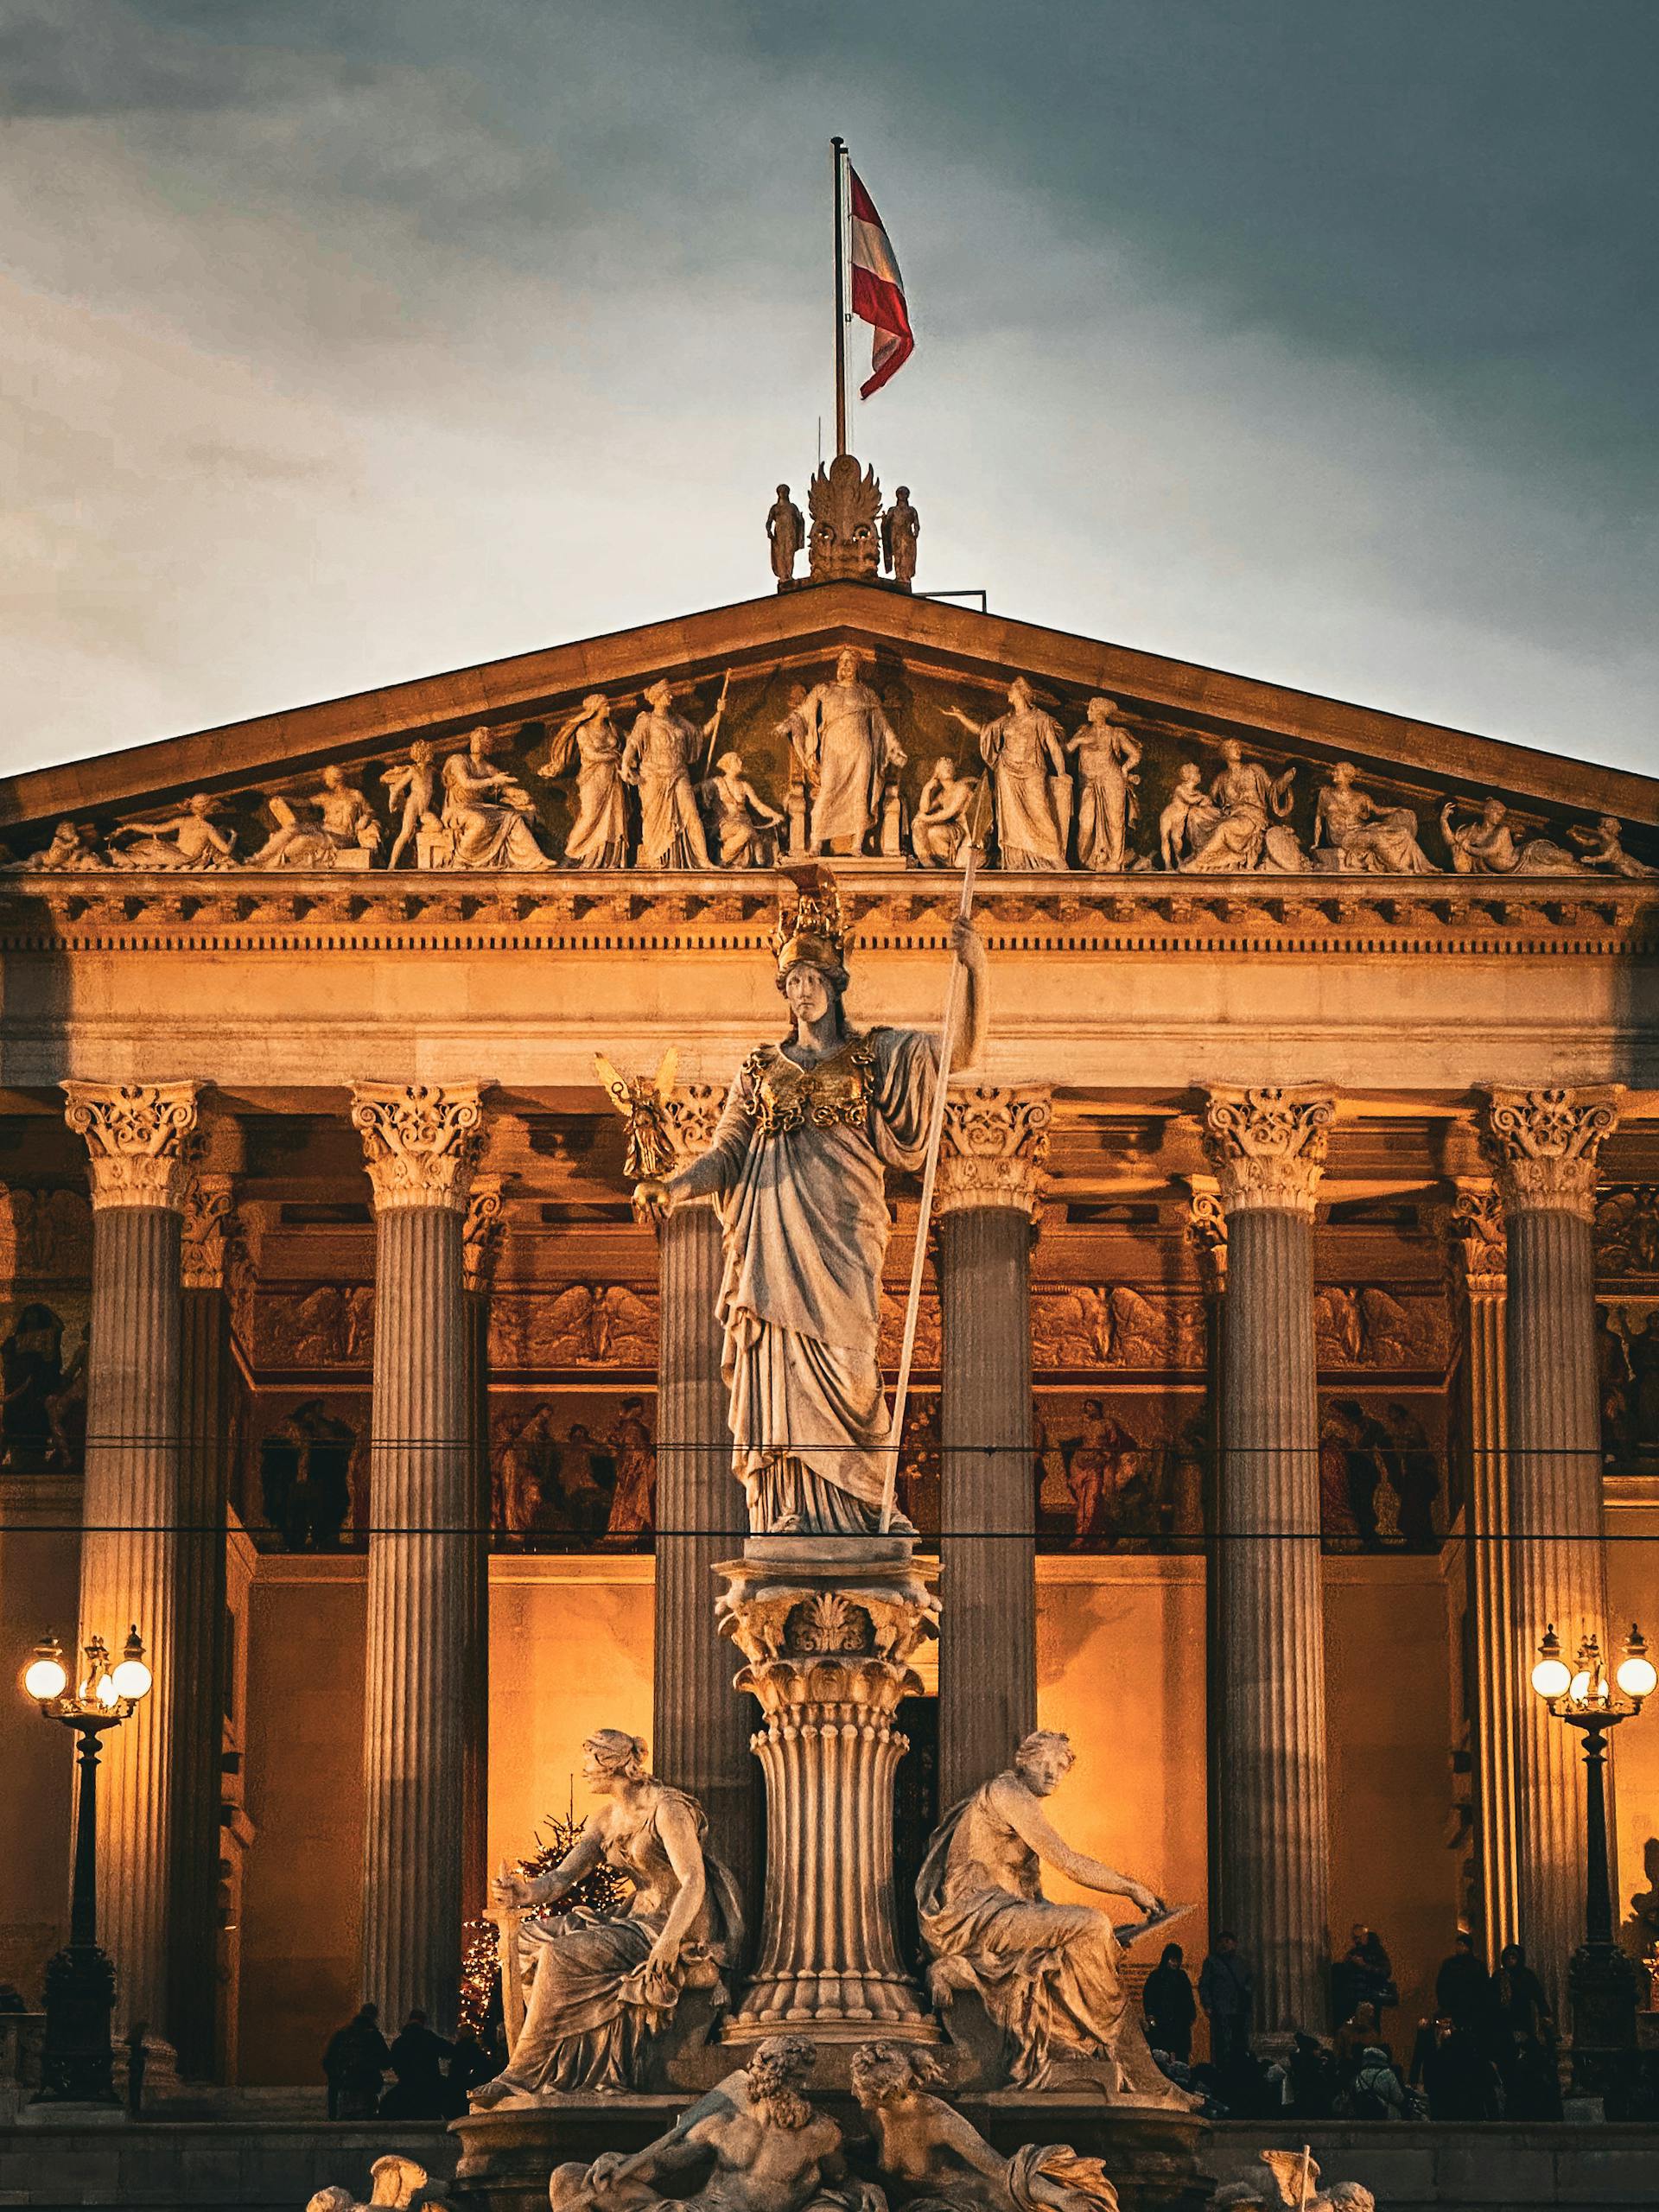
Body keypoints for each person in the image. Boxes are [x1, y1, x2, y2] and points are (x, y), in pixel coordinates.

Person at [632, 869, 984, 1537]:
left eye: (811, 981)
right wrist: (672, 1187)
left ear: (834, 984)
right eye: (791, 984)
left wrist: (974, 967)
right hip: (773, 1255)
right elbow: (725, 1154)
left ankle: (856, 1510)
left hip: (845, 1244)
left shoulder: (877, 1055)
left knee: (854, 1372)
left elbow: (961, 1050)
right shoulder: (757, 1071)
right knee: (779, 1383)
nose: (800, 995)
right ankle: (786, 1510)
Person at [471, 1729, 742, 2101]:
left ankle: (521, 2073)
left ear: (611, 1764)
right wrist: (524, 1891)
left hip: (674, 1921)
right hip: (636, 1916)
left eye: (589, 1762)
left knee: (558, 1955)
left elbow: (694, 1880)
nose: (583, 1770)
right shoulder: (605, 1820)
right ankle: (561, 2064)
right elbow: (563, 1877)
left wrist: (668, 1943)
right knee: (530, 1939)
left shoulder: (667, 1809)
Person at [915, 1727, 1184, 2101]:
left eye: (1062, 1766)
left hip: (1002, 1912)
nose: (1055, 1772)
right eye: (1047, 1762)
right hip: (977, 1916)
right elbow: (1068, 1861)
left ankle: (1109, 2058)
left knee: (1092, 1935)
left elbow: (1035, 1901)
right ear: (1025, 1759)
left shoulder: (1018, 1800)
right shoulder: (1009, 1793)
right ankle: (1131, 2065)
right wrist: (1131, 1887)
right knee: (1092, 1923)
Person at [797, 649, 907, 856]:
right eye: (842, 662)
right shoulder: (824, 690)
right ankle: (816, 844)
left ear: (857, 667)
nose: (845, 665)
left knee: (860, 796)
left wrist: (894, 747)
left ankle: (857, 845)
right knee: (827, 791)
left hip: (860, 748)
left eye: (850, 662)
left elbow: (882, 726)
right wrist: (794, 731)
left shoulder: (866, 693)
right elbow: (802, 714)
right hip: (834, 747)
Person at [540, 695, 630, 869]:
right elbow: (590, 755)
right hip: (593, 779)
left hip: (613, 779)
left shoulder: (612, 728)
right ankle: (571, 853)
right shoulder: (584, 730)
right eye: (605, 706)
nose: (609, 709)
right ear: (595, 709)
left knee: (614, 816)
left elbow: (631, 739)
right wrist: (614, 755)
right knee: (589, 815)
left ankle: (608, 857)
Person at [379, 2008, 457, 2120]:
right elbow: (450, 2051)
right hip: (429, 2090)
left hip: (406, 2087)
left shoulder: (400, 2041)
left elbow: (392, 2062)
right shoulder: (429, 2038)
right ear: (423, 2022)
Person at [1421, 2014, 1499, 2122]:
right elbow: (1489, 2095)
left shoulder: (1437, 2058)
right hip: (1470, 2112)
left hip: (1445, 2111)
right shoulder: (1475, 2059)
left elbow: (1430, 2084)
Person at [322, 2002, 391, 2120]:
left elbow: (328, 2062)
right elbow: (386, 2063)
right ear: (375, 2017)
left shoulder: (342, 2034)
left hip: (343, 2091)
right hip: (366, 2091)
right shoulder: (374, 2035)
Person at [1198, 1931, 1253, 2072]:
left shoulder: (1241, 1963)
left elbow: (1249, 1982)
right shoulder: (1211, 1962)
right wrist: (1208, 2004)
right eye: (1221, 1942)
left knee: (1239, 2044)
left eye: (1228, 1941)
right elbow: (1204, 1984)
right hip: (1221, 2009)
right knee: (1223, 2045)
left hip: (1239, 2010)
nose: (1224, 1945)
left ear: (1235, 1944)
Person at [1143, 1942, 1198, 2062]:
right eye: (1172, 1960)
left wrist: (1190, 2016)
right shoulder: (1156, 1976)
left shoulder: (1181, 1976)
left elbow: (1188, 1997)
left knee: (1181, 2055)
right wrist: (1151, 2019)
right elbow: (1149, 1997)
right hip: (1162, 2022)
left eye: (1177, 1960)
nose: (1174, 1963)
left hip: (1180, 2023)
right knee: (1162, 2055)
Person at [1433, 1932, 1491, 2037]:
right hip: (1454, 2008)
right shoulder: (1450, 1964)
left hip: (1472, 2010)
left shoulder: (1477, 1966)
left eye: (1461, 1945)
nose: (1458, 1948)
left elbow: (1483, 1989)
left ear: (1468, 1947)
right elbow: (1442, 1986)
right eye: (1458, 1945)